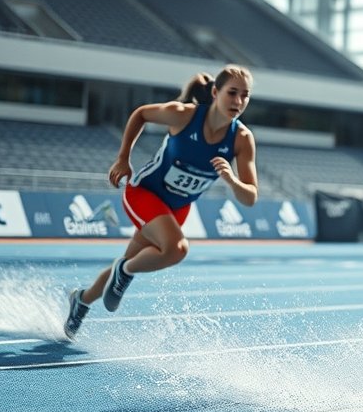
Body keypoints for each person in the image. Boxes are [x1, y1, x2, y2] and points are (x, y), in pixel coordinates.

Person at [63, 66, 258, 339]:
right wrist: (123, 158)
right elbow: (141, 114)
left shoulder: (242, 139)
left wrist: (232, 179)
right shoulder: (184, 116)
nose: (238, 102)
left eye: (245, 96)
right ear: (215, 92)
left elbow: (250, 197)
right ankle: (125, 272)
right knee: (176, 249)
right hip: (145, 193)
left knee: (133, 258)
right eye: (232, 93)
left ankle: (82, 299)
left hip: (176, 208)